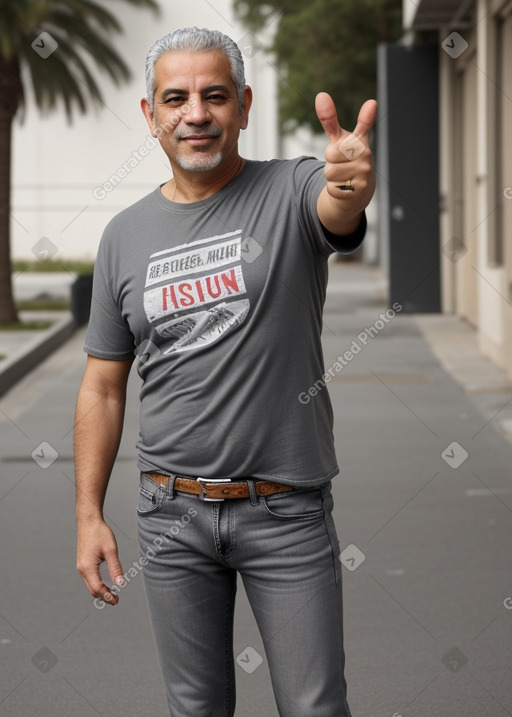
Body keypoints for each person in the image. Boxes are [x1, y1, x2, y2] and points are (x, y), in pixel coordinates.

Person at [74, 26, 376, 717]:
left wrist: (352, 189)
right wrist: (88, 512)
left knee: (314, 706)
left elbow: (336, 211)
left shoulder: (294, 185)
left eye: (214, 96)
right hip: (168, 513)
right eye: (175, 98)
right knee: (196, 707)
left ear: (242, 105)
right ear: (150, 115)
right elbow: (102, 384)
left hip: (284, 512)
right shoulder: (124, 235)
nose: (196, 113)